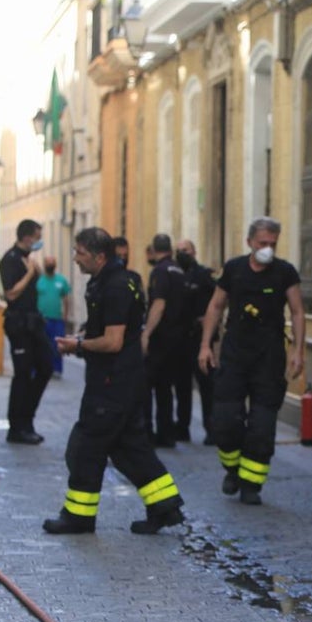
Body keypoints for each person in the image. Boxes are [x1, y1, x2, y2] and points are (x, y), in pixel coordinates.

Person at [43, 227, 185, 535]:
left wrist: (78, 346)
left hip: (112, 383)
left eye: (80, 252)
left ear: (99, 256)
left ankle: (78, 517)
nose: (75, 259)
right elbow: (106, 330)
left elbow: (113, 341)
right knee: (129, 447)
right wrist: (80, 338)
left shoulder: (116, 286)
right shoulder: (113, 280)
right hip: (123, 379)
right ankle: (165, 506)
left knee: (85, 447)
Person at [199, 217, 305, 505]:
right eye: (262, 244)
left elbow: (296, 311)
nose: (268, 249)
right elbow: (216, 306)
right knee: (225, 420)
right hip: (234, 353)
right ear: (250, 243)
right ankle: (232, 470)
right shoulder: (234, 269)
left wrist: (298, 351)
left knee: (262, 425)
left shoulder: (285, 273)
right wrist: (205, 345)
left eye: (272, 244)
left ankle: (251, 484)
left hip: (269, 356)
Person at [0, 219, 54, 444]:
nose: (39, 242)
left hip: (34, 322)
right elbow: (11, 293)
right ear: (27, 237)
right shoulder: (10, 260)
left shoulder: (28, 260)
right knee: (22, 375)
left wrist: (34, 270)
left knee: (45, 367)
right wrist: (30, 273)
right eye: (37, 237)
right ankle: (17, 426)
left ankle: (27, 419)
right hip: (18, 324)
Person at [141, 233, 189, 447]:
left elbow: (158, 304)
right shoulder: (179, 270)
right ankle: (167, 433)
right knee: (165, 387)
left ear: (154, 249)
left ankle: (147, 432)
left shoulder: (159, 271)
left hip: (161, 337)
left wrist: (147, 333)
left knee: (147, 385)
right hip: (178, 338)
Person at [176, 239, 217, 443]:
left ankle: (211, 429)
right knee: (182, 386)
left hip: (201, 338)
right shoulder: (175, 274)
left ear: (194, 251)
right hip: (181, 339)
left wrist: (208, 319)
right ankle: (182, 428)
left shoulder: (204, 275)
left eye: (186, 250)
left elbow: (219, 300)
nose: (182, 254)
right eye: (179, 251)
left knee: (207, 386)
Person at [36, 256, 72, 377]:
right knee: (40, 345)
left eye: (52, 262)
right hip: (41, 319)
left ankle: (56, 369)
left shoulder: (61, 280)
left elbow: (66, 299)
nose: (50, 264)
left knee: (57, 345)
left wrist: (66, 316)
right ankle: (39, 369)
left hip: (57, 319)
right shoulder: (39, 280)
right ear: (44, 264)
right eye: (48, 262)